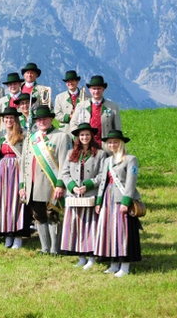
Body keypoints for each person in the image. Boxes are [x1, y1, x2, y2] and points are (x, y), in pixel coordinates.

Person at [20, 106, 71, 255]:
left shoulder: (61, 136)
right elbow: (24, 163)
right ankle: (44, 248)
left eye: (45, 119)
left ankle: (55, 249)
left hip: (51, 184)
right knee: (38, 216)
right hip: (33, 184)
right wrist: (22, 184)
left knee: (52, 215)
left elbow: (64, 163)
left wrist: (60, 184)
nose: (42, 121)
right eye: (39, 119)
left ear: (51, 119)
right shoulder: (31, 137)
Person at [93, 130, 142, 276]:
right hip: (108, 199)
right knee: (110, 232)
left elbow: (130, 182)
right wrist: (99, 201)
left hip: (121, 200)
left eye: (115, 142)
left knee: (123, 232)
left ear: (121, 143)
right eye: (110, 142)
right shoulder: (107, 161)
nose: (112, 144)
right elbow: (103, 182)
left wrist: (126, 202)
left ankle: (125, 266)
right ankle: (114, 263)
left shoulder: (130, 159)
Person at [60, 123, 107, 269]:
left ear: (92, 136)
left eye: (87, 134)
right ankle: (81, 256)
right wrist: (73, 187)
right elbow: (64, 173)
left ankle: (91, 257)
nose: (84, 137)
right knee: (77, 226)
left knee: (90, 226)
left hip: (90, 195)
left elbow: (102, 175)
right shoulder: (71, 153)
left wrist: (88, 184)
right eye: (81, 135)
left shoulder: (100, 154)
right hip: (74, 196)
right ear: (78, 138)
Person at [0, 107, 27, 249]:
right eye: (6, 118)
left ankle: (17, 235)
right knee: (3, 201)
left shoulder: (23, 134)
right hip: (2, 169)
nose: (9, 120)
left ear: (15, 119)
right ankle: (7, 234)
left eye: (11, 118)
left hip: (17, 169)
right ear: (3, 121)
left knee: (16, 202)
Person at [72, 75, 122, 141]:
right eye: (94, 88)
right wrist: (79, 138)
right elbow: (73, 123)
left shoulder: (113, 107)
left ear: (103, 89)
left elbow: (117, 128)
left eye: (99, 88)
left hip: (105, 144)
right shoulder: (81, 106)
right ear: (90, 90)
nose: (96, 91)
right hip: (86, 144)